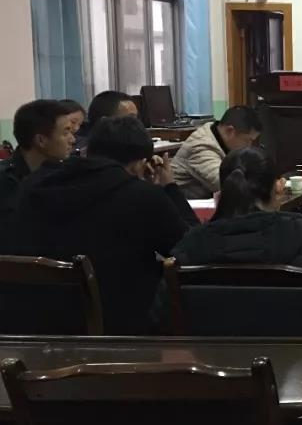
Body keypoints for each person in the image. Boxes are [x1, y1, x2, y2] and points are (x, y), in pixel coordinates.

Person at [164, 147, 302, 383]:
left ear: (224, 190)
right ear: (278, 187)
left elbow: (164, 311)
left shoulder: (192, 246)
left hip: (214, 377)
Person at [2, 116, 196, 334]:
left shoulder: (32, 185)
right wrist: (170, 188)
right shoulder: (142, 197)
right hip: (118, 330)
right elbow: (193, 249)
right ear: (139, 164)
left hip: (29, 327)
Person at [0, 100, 75, 230]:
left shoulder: (65, 174)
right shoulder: (6, 182)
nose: (72, 139)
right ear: (41, 140)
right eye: (66, 132)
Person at [172, 105, 263, 199]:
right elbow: (229, 186)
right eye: (248, 140)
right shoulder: (201, 146)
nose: (249, 146)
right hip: (183, 202)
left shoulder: (219, 136)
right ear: (230, 131)